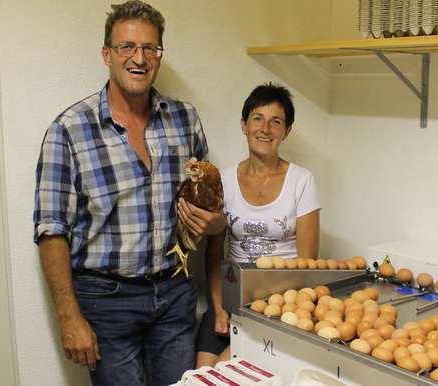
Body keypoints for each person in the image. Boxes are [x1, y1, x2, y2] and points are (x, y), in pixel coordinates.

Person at [33, 1, 224, 385]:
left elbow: (207, 200)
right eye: (127, 47)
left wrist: (216, 221)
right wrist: (69, 318)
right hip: (106, 301)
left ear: (158, 56)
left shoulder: (185, 120)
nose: (139, 58)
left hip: (175, 293)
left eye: (150, 48)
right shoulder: (68, 129)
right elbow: (51, 229)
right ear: (107, 54)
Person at [195, 83, 321, 367]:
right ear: (244, 124)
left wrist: (269, 312)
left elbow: (307, 266)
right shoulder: (223, 180)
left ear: (286, 131)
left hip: (280, 305)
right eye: (257, 118)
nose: (265, 129)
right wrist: (218, 308)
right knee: (200, 376)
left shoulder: (301, 181)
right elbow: (214, 255)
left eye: (276, 122)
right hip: (229, 298)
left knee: (222, 373)